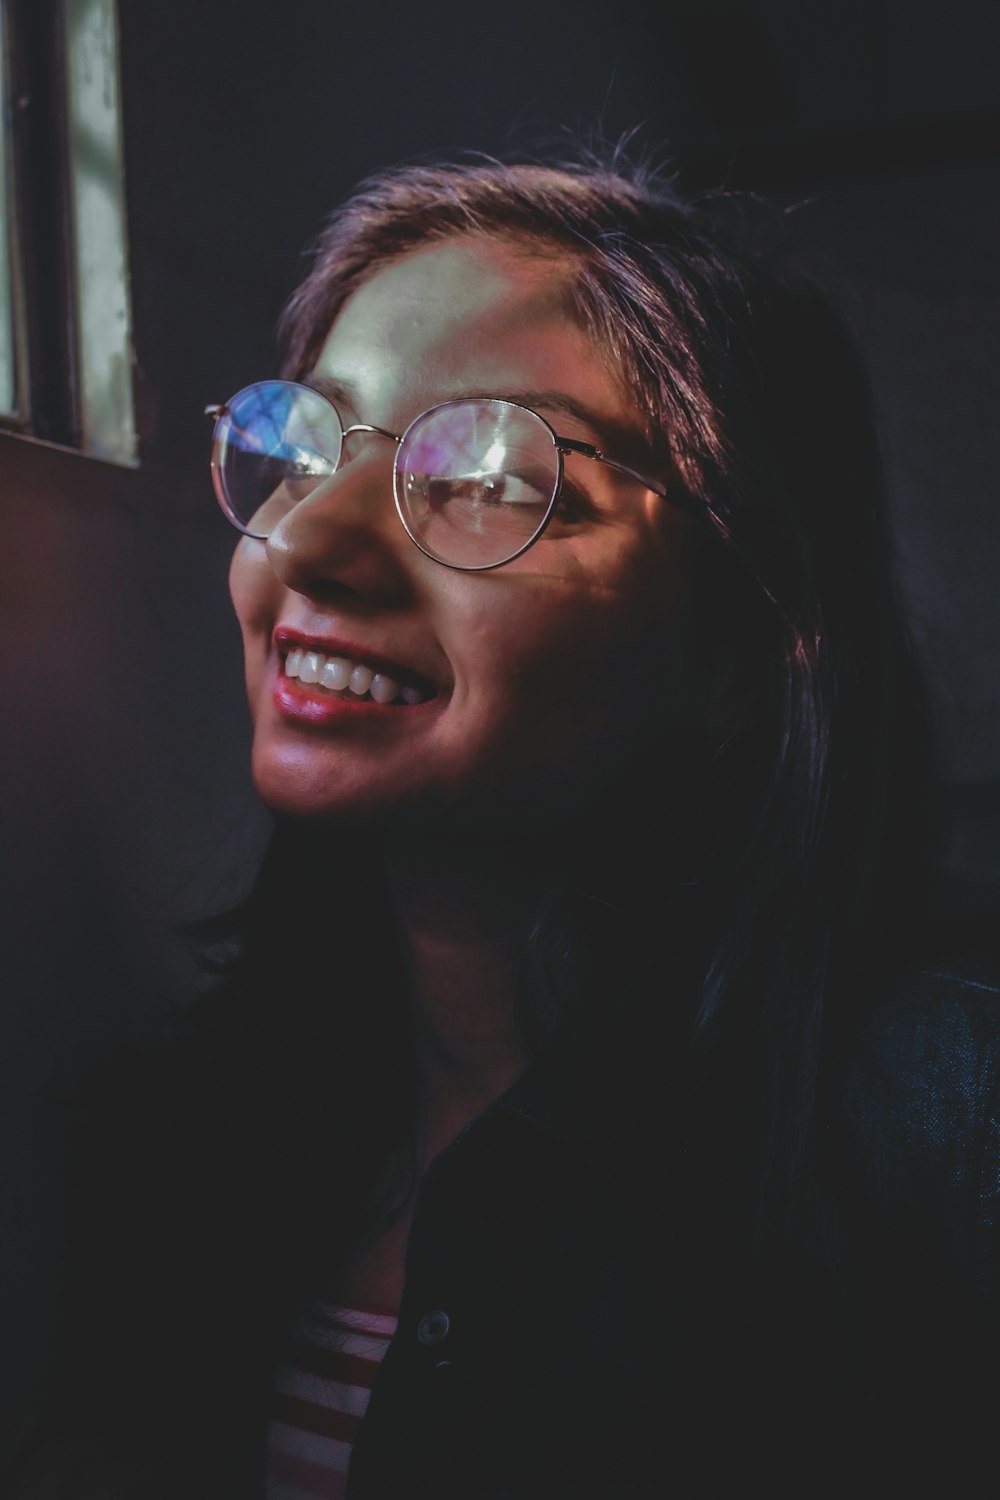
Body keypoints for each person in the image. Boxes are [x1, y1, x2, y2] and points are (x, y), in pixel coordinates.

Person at [17, 151, 1000, 1499]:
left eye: (488, 473)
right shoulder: (171, 1160)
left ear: (739, 647)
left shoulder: (946, 1153)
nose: (311, 543)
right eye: (305, 442)